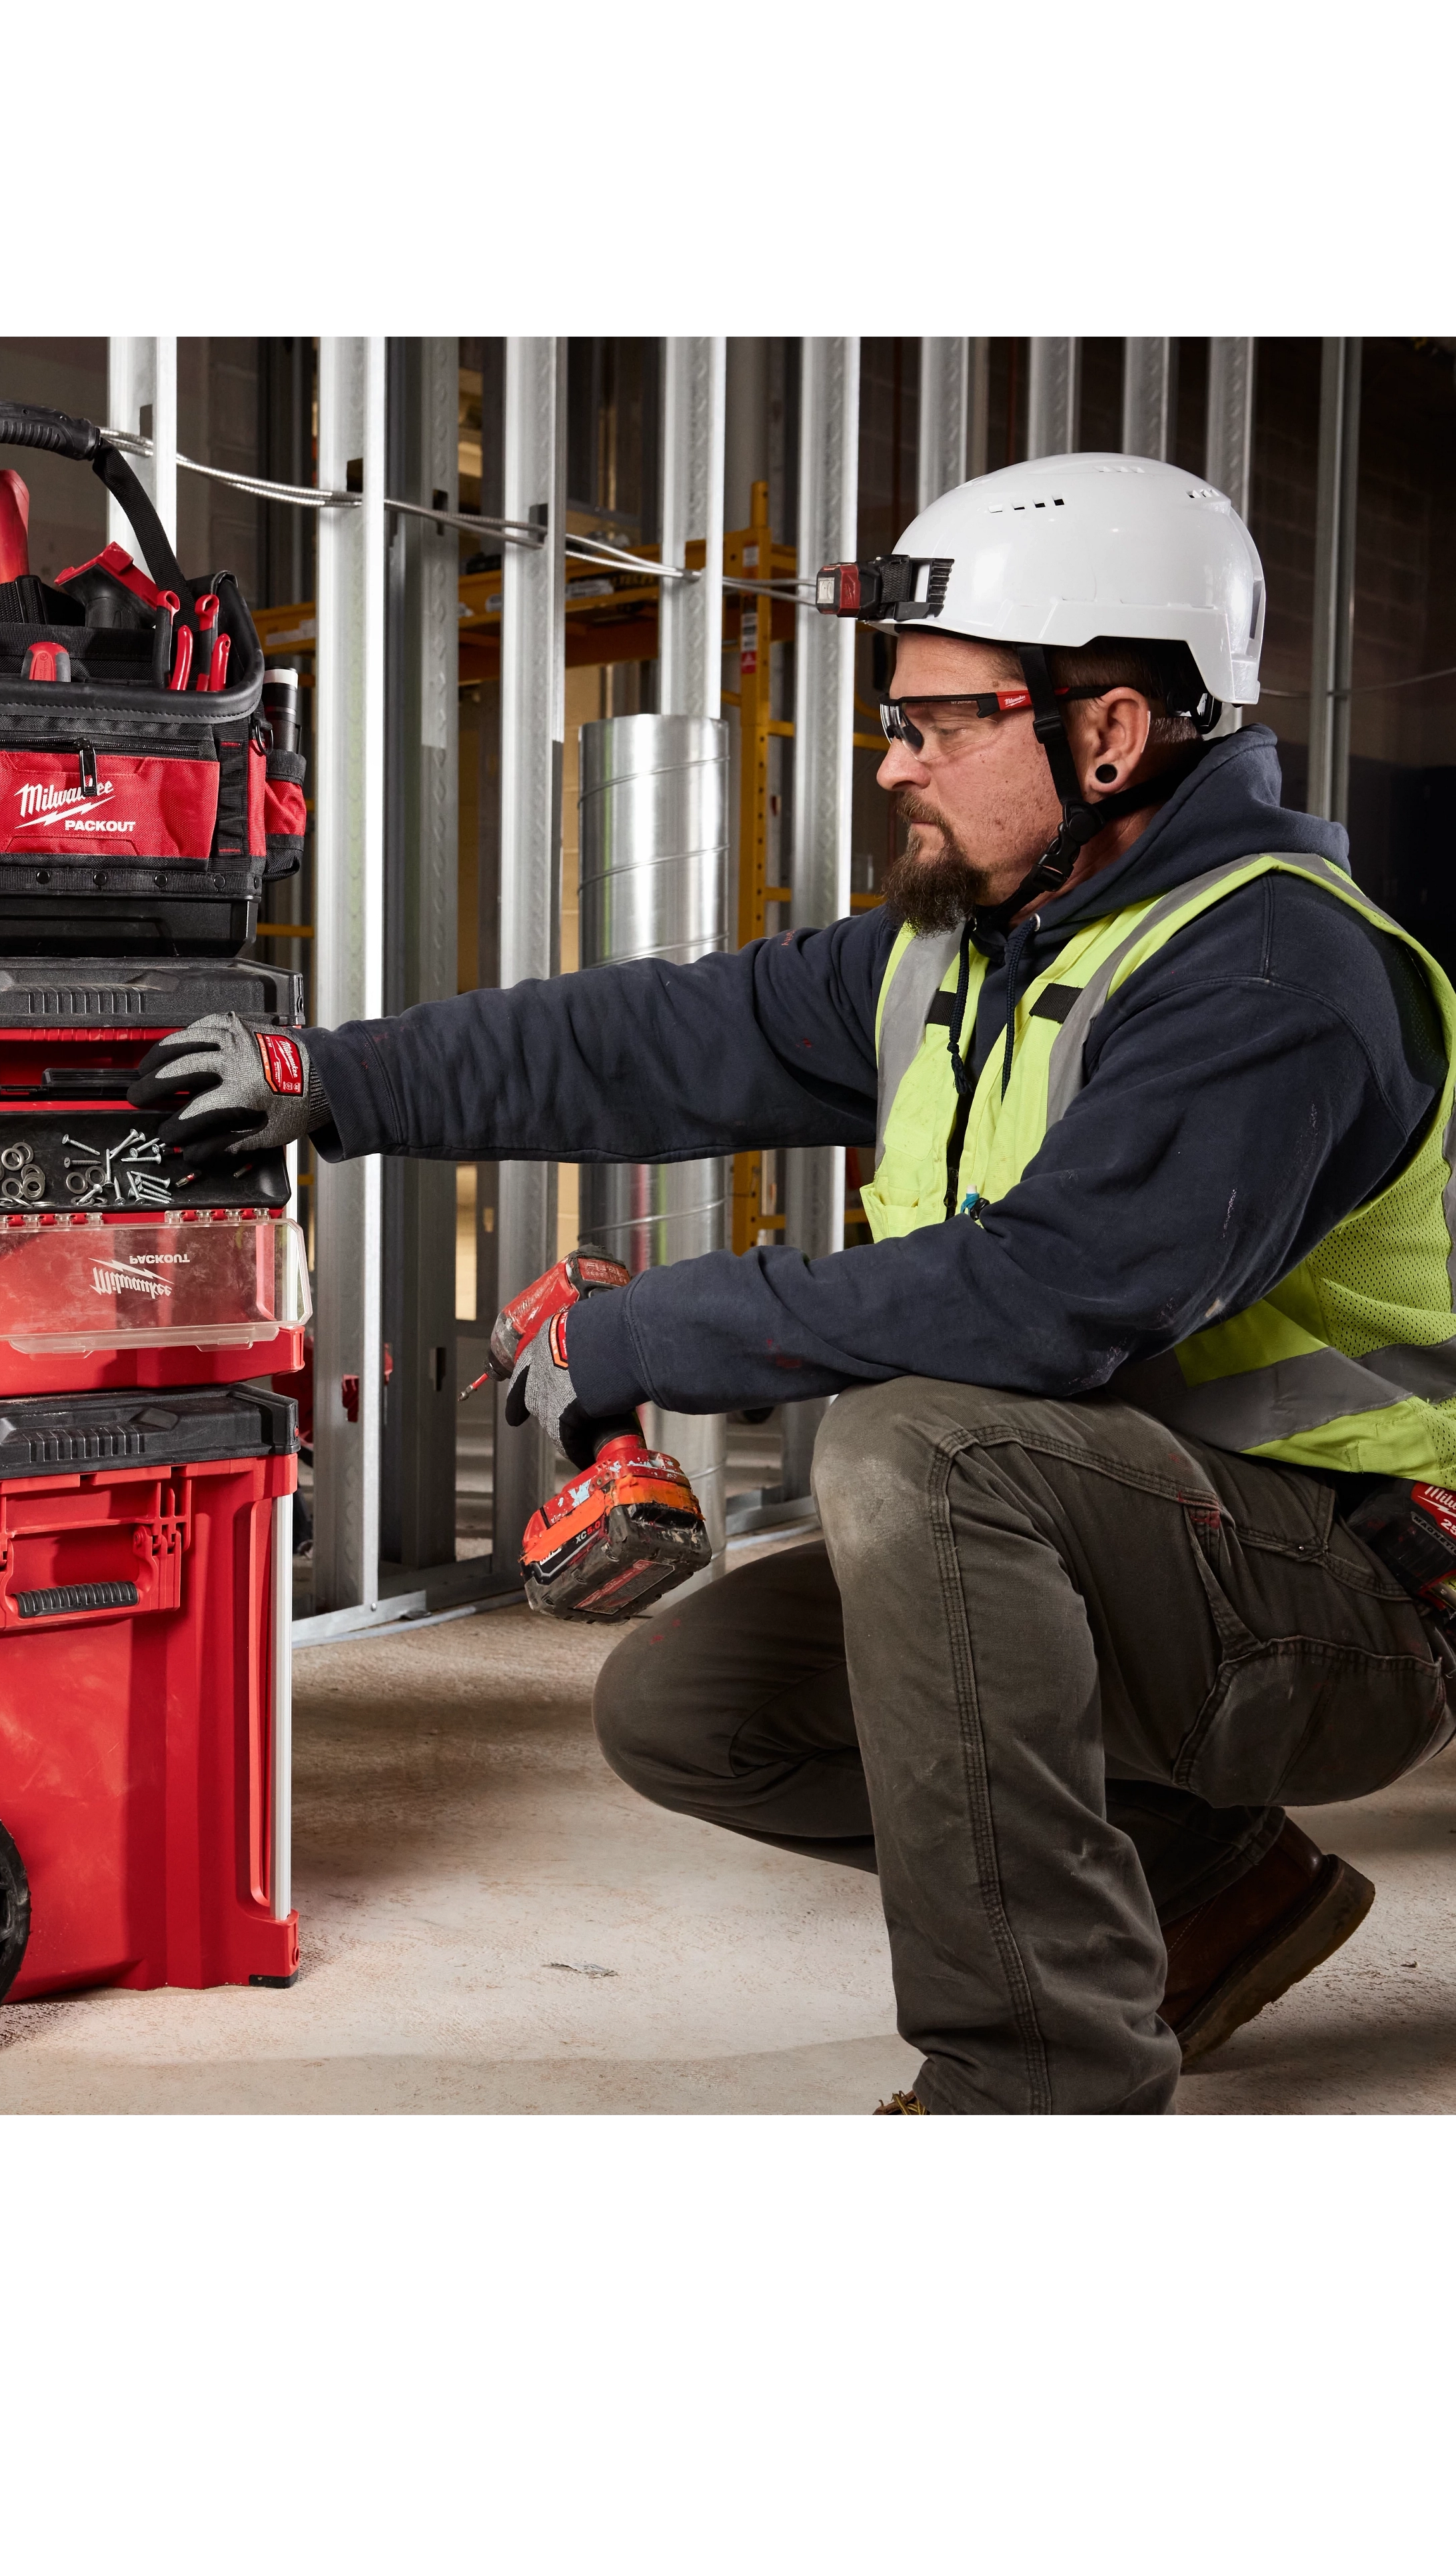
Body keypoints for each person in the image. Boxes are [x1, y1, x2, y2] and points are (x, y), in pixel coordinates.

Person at [130, 453, 1456, 2116]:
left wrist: (647, 1327)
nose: (889, 762)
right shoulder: (970, 943)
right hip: (1144, 1560)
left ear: (1106, 731)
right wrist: (333, 1078)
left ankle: (1035, 2077)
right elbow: (656, 1035)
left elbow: (1045, 1303)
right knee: (696, 1709)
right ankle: (1211, 1890)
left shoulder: (1267, 974)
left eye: (937, 722)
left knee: (923, 1447)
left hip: (1338, 1608)